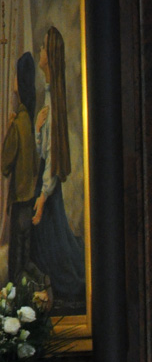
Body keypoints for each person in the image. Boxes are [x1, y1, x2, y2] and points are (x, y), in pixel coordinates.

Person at [31, 25, 85, 312]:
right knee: (54, 244)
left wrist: (42, 198)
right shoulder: (49, 95)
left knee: (55, 248)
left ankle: (68, 291)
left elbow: (51, 160)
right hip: (47, 181)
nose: (39, 51)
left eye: (42, 47)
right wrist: (38, 130)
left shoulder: (53, 101)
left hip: (48, 185)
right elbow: (43, 150)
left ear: (49, 56)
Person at [1, 51, 45, 290]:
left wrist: (9, 129)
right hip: (29, 198)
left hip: (19, 200)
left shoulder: (18, 123)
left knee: (16, 268)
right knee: (25, 257)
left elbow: (4, 164)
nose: (14, 81)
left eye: (16, 76)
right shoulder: (29, 119)